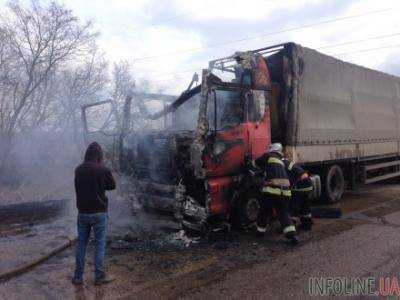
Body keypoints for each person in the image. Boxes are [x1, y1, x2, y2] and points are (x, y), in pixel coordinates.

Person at [72, 142, 116, 285]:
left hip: (83, 213)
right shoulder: (103, 170)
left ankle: (78, 277)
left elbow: (78, 187)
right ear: (99, 155)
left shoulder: (78, 170)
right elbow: (112, 186)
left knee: (81, 245)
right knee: (99, 245)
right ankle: (99, 277)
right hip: (99, 213)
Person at [254, 143, 299, 244]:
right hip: (286, 191)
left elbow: (256, 163)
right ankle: (292, 236)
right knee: (283, 213)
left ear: (272, 149)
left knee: (264, 211)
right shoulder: (281, 161)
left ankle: (260, 232)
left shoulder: (268, 156)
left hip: (272, 190)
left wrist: (249, 162)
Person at [283, 157, 314, 231]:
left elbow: (301, 174)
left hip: (300, 188)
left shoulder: (285, 164)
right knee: (304, 207)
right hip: (306, 187)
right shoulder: (286, 162)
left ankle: (291, 227)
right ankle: (307, 225)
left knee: (293, 208)